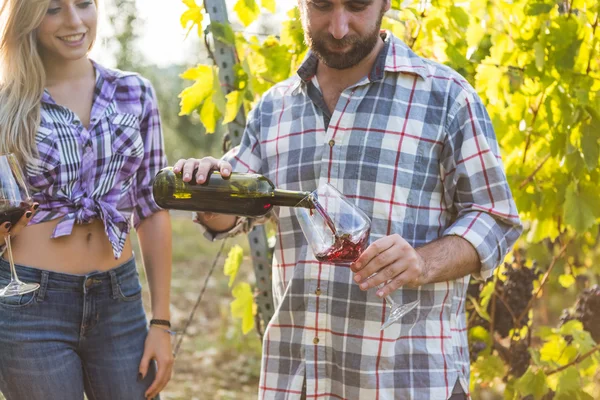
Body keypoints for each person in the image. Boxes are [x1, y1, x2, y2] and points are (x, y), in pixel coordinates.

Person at [176, 0, 522, 398]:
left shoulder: (447, 98)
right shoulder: (273, 108)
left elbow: (495, 218)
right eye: (322, 6)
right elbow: (231, 214)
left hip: (408, 381)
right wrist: (206, 190)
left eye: (357, 5)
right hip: (298, 381)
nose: (339, 27)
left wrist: (424, 263)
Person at [0, 0, 173, 399]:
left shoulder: (135, 92)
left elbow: (151, 209)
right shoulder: (8, 103)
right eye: (54, 9)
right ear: (28, 18)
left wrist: (161, 323)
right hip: (30, 303)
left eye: (84, 4)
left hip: (120, 301)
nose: (75, 21)